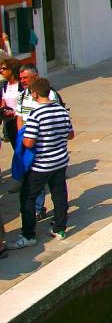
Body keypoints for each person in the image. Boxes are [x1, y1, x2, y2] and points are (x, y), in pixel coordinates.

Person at [9, 77, 74, 248]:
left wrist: (24, 139)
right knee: (59, 195)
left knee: (28, 197)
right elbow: (70, 134)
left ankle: (29, 234)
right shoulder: (61, 110)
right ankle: (59, 229)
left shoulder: (36, 114)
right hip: (60, 161)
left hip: (41, 164)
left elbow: (29, 142)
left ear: (35, 94)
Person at [14, 63, 60, 218]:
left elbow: (54, 118)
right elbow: (19, 118)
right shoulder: (22, 96)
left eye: (25, 77)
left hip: (44, 144)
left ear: (35, 76)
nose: (22, 81)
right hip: (29, 141)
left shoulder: (50, 95)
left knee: (47, 182)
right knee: (31, 177)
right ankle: (39, 209)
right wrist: (23, 137)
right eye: (21, 78)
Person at [1, 57, 21, 147]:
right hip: (9, 123)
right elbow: (3, 103)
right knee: (15, 147)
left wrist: (15, 113)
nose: (1, 70)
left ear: (12, 70)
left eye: (4, 68)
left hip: (20, 122)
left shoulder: (21, 85)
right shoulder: (5, 85)